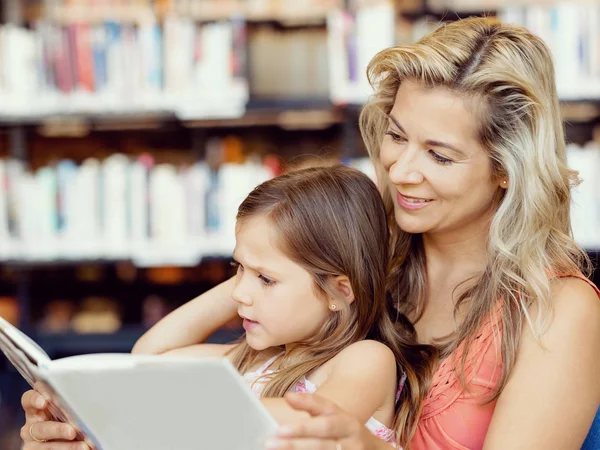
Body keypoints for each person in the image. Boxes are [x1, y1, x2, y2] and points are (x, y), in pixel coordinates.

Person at [20, 16, 600, 450]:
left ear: (507, 168)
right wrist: (90, 428)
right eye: (396, 136)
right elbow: (219, 383)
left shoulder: (556, 309)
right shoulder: (362, 260)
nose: (399, 171)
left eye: (440, 156)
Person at [21, 165, 433, 450]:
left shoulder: (365, 359)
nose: (240, 293)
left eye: (266, 279)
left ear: (339, 292)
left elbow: (312, 422)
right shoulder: (258, 359)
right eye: (237, 269)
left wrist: (159, 408)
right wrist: (249, 276)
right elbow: (150, 356)